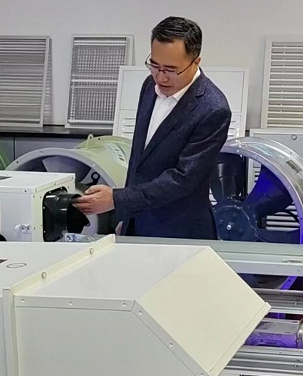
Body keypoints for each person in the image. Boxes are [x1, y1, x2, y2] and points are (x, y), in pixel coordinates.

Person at [74, 16, 231, 240]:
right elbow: (139, 160)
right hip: (136, 223)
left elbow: (183, 179)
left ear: (196, 62)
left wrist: (117, 200)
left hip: (180, 231)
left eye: (171, 69)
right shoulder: (149, 86)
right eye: (154, 65)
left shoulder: (213, 109)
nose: (161, 77)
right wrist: (127, 218)